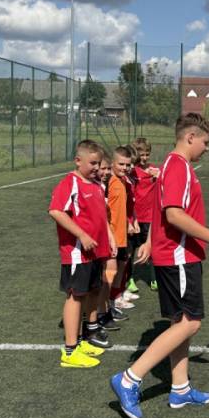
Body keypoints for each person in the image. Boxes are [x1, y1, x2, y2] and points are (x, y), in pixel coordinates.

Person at [110, 113, 209, 418]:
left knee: (180, 321)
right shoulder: (179, 166)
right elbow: (173, 214)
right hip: (180, 257)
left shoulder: (170, 165)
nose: (206, 148)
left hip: (175, 255)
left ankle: (180, 388)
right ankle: (129, 378)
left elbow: (160, 212)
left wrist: (150, 242)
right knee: (191, 323)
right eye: (205, 142)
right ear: (190, 137)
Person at [48, 140, 116, 368]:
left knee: (90, 293)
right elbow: (56, 211)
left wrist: (109, 237)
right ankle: (70, 351)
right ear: (78, 161)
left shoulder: (96, 184)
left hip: (95, 252)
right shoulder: (70, 183)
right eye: (92, 163)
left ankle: (82, 341)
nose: (97, 168)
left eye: (99, 163)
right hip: (78, 253)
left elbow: (101, 216)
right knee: (75, 296)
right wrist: (82, 235)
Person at [98, 145, 136, 332]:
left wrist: (128, 223)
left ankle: (110, 306)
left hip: (121, 236)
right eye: (121, 164)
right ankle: (101, 312)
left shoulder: (122, 181)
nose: (125, 168)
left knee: (117, 272)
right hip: (111, 237)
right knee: (108, 275)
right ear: (112, 163)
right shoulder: (108, 182)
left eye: (128, 165)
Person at [127, 137, 159, 293]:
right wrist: (131, 219)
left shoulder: (155, 170)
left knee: (152, 249)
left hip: (150, 218)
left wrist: (159, 177)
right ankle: (130, 279)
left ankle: (154, 279)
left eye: (147, 154)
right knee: (130, 251)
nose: (144, 158)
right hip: (135, 218)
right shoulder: (132, 171)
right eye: (141, 154)